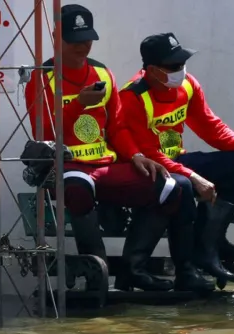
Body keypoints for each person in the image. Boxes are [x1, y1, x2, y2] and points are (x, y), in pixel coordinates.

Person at [24, 4, 211, 293]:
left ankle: (132, 271)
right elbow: (42, 135)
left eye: (87, 38)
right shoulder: (42, 78)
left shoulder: (102, 72)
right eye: (74, 39)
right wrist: (76, 106)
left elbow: (118, 127)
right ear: (55, 36)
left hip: (105, 164)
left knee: (173, 187)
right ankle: (97, 271)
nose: (82, 45)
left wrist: (136, 155)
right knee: (77, 186)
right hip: (67, 167)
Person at [120, 32, 234, 283]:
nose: (181, 70)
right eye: (174, 66)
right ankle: (186, 268)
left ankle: (209, 245)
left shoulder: (187, 85)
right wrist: (193, 176)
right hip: (148, 167)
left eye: (183, 63)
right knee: (183, 185)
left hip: (177, 161)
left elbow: (211, 126)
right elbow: (149, 153)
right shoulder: (133, 96)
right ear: (153, 70)